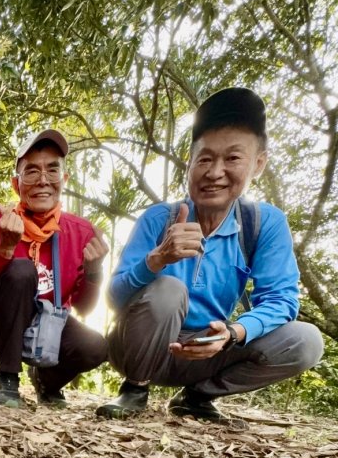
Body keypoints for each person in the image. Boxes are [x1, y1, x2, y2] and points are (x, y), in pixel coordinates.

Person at [97, 87, 323, 425]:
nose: (215, 172)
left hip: (209, 351)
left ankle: (198, 396)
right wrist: (156, 260)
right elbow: (114, 299)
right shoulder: (159, 218)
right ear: (189, 164)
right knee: (169, 289)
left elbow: (281, 299)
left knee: (306, 341)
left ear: (258, 164)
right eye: (204, 158)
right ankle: (134, 390)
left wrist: (234, 333)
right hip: (141, 348)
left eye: (232, 158)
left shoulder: (263, 224)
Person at [0, 130, 109, 407]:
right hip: (3, 324)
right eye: (31, 171)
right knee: (22, 270)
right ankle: (7, 380)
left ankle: (47, 382)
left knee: (96, 348)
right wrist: (5, 250)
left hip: (53, 325)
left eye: (52, 170)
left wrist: (95, 271)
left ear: (64, 179)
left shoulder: (82, 232)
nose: (42, 181)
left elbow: (85, 308)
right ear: (16, 184)